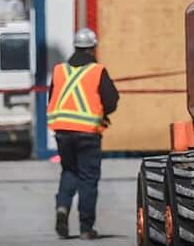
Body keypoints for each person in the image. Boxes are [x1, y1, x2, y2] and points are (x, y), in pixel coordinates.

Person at [48, 27, 119, 240]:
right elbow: (111, 100)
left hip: (62, 131)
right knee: (88, 179)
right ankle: (86, 228)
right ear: (92, 48)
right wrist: (101, 113)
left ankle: (62, 208)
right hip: (88, 133)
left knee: (69, 172)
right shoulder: (97, 71)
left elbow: (53, 96)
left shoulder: (60, 70)